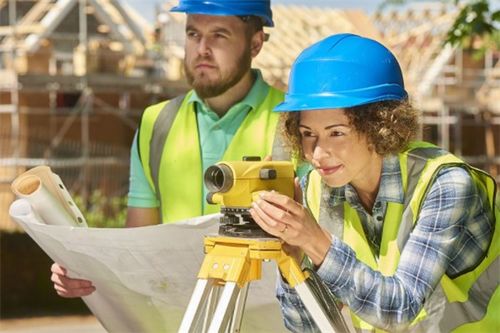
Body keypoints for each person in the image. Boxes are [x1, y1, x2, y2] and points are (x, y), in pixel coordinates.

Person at [250, 33, 499, 332]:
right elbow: (307, 327)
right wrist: (293, 263)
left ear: (380, 125)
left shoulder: (446, 184)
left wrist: (314, 241)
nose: (317, 153)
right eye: (307, 134)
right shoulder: (317, 189)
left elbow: (400, 309)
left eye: (336, 133)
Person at [51, 0, 288, 298]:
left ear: (255, 44)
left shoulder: (295, 123)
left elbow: (318, 245)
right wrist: (85, 270)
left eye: (219, 35)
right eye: (193, 34)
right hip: (178, 320)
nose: (202, 48)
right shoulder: (156, 124)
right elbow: (139, 248)